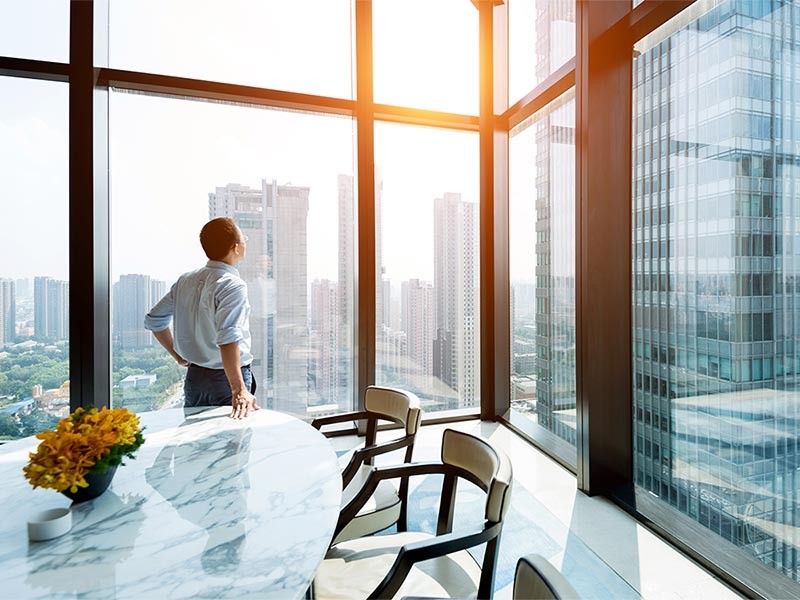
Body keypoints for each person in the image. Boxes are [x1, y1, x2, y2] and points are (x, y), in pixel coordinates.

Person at [144, 217, 259, 419]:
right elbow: (228, 338)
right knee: (232, 446)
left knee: (195, 444)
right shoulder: (232, 284)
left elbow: (155, 320)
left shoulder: (186, 280)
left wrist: (178, 355)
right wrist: (238, 389)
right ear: (236, 247)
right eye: (244, 239)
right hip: (226, 381)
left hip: (195, 378)